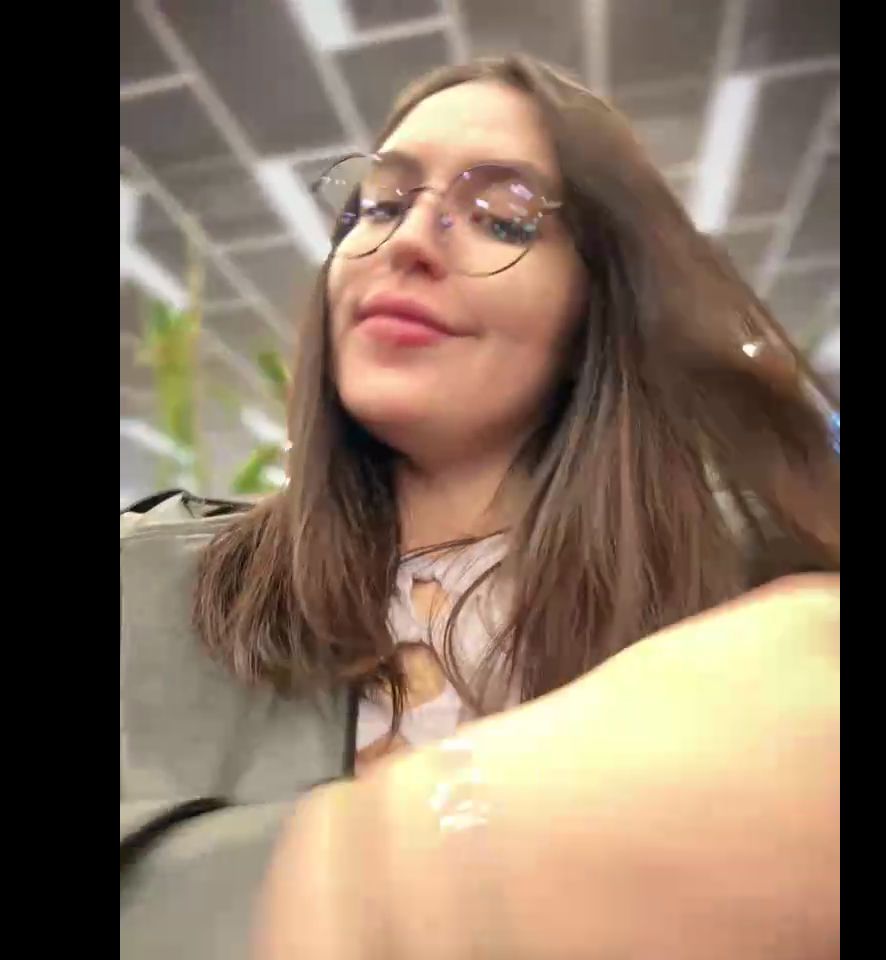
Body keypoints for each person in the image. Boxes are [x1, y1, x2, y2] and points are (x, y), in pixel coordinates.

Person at [119, 55, 839, 959]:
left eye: (501, 217)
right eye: (380, 205)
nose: (409, 241)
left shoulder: (748, 611)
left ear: (595, 311)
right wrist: (408, 871)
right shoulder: (147, 579)